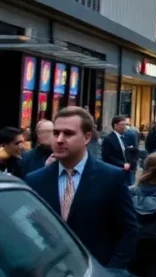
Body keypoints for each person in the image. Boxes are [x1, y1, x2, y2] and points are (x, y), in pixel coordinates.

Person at [25, 107, 138, 270]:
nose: (59, 140)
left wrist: (112, 271)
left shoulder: (111, 177)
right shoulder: (35, 180)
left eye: (68, 133)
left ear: (86, 137)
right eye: (56, 133)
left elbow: (129, 230)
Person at [102, 115, 136, 184]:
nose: (124, 127)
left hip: (129, 170)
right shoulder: (109, 139)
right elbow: (107, 156)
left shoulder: (126, 137)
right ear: (115, 125)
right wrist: (122, 164)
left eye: (125, 124)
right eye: (122, 124)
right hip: (116, 169)